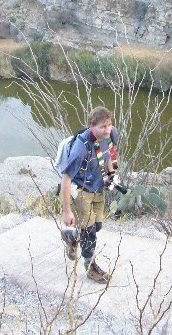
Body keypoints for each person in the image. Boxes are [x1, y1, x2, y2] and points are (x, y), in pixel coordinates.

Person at [59, 106, 119, 283]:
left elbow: (110, 155)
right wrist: (66, 211)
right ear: (91, 126)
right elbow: (66, 178)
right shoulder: (81, 148)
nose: (107, 129)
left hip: (98, 188)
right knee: (89, 232)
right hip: (82, 191)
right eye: (103, 126)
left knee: (97, 225)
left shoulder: (111, 134)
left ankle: (71, 237)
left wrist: (111, 174)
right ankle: (91, 267)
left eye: (109, 125)